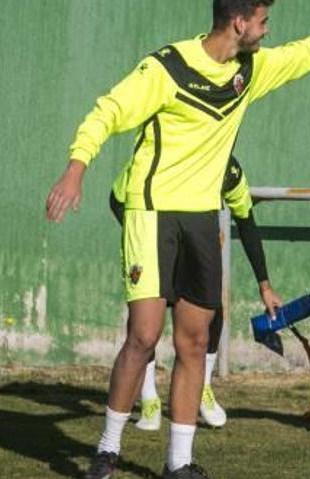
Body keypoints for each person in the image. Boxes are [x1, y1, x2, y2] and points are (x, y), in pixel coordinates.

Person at [45, 0, 310, 476]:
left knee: (194, 342)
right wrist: (76, 167)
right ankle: (107, 448)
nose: (267, 30)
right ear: (239, 22)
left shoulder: (250, 69)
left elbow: (308, 53)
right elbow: (107, 111)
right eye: (262, 21)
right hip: (151, 212)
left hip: (202, 219)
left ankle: (180, 462)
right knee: (144, 336)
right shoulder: (166, 68)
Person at [109, 156, 282, 432]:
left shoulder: (229, 169)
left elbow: (246, 220)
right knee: (145, 325)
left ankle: (201, 388)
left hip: (193, 246)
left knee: (212, 313)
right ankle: (149, 397)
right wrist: (143, 238)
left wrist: (265, 285)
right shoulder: (161, 151)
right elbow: (116, 198)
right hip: (152, 238)